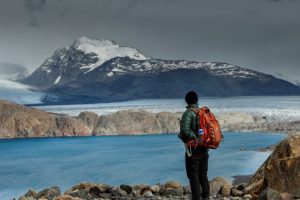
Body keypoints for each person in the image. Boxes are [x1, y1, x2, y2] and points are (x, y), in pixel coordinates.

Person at [178, 91, 210, 200]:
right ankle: (206, 196)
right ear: (197, 100)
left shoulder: (188, 113)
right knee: (203, 173)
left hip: (194, 148)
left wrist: (191, 138)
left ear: (187, 101)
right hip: (205, 147)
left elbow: (185, 131)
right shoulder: (203, 112)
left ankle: (196, 197)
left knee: (193, 174)